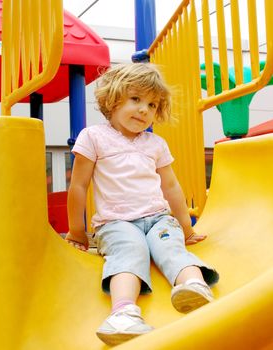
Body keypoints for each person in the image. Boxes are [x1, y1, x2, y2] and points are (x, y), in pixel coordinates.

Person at [65, 63, 219, 346]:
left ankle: (193, 286)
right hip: (116, 222)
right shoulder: (94, 137)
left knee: (170, 246)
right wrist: (76, 231)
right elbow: (78, 185)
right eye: (136, 99)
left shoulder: (155, 144)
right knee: (130, 251)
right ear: (113, 99)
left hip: (158, 218)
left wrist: (185, 228)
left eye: (152, 104)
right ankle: (123, 313)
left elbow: (171, 187)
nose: (144, 110)